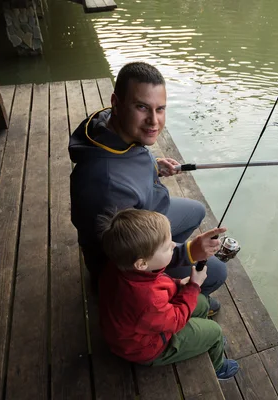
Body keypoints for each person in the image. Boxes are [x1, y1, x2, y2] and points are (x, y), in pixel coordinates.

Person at [69, 61, 228, 313]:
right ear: (116, 102)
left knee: (196, 211)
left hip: (144, 216)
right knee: (217, 271)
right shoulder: (106, 184)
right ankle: (178, 303)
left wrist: (153, 165)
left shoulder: (110, 126)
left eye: (160, 109)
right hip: (123, 261)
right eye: (142, 107)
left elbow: (126, 160)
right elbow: (130, 252)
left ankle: (165, 264)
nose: (153, 121)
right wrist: (187, 251)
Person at [98, 208, 239, 379]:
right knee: (215, 332)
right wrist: (194, 286)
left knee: (201, 302)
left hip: (143, 324)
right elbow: (175, 320)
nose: (174, 245)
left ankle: (200, 339)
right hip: (147, 347)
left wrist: (180, 284)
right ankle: (219, 368)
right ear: (141, 263)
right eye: (166, 247)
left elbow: (157, 284)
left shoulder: (123, 266)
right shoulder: (146, 300)